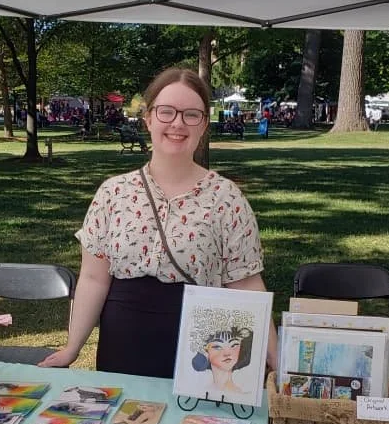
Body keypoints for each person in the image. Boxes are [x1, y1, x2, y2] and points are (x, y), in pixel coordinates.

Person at [39, 67, 278, 378]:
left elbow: (247, 284)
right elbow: (93, 280)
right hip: (122, 348)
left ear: (203, 124)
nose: (177, 123)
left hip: (200, 353)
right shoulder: (113, 193)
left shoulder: (227, 198)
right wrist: (72, 348)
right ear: (149, 118)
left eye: (191, 114)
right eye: (167, 112)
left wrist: (276, 361)